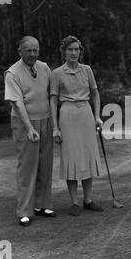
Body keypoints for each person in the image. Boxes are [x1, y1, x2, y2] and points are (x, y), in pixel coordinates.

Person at [4, 36, 56, 227]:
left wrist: (56, 124)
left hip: (46, 120)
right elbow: (17, 103)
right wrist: (29, 128)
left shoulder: (44, 68)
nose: (32, 54)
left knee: (45, 164)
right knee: (27, 167)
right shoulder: (12, 73)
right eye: (28, 51)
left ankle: (42, 205)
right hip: (24, 122)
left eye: (35, 50)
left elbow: (52, 95)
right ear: (20, 51)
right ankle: (24, 210)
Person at [50, 35, 103, 216]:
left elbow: (95, 94)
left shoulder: (87, 70)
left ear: (80, 51)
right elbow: (53, 101)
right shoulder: (56, 73)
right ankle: (74, 202)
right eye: (70, 49)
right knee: (71, 157)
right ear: (64, 51)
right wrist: (55, 127)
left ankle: (88, 199)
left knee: (88, 155)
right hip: (67, 114)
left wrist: (97, 116)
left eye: (76, 49)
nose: (74, 53)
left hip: (86, 114)